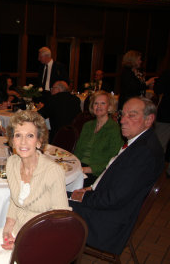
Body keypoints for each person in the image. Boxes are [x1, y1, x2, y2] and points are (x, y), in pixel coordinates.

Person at [0, 110, 70, 263]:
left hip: (40, 241)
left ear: (39, 141)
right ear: (12, 140)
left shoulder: (52, 171)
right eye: (18, 135)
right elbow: (15, 201)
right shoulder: (12, 163)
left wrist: (23, 242)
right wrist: (9, 226)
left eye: (30, 136)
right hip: (17, 231)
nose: (23, 142)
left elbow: (60, 220)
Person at [70, 97, 164, 255]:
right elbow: (114, 179)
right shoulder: (139, 142)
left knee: (49, 204)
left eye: (132, 115)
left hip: (106, 224)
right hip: (106, 208)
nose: (123, 120)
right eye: (123, 114)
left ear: (149, 120)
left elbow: (113, 199)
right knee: (55, 193)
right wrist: (90, 188)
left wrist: (83, 197)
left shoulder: (144, 153)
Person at [73, 91, 123, 186]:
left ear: (109, 107)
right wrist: (74, 166)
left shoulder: (114, 129)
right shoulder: (87, 126)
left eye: (103, 103)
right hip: (80, 168)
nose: (98, 106)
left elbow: (113, 159)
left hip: (97, 173)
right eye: (96, 103)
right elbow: (78, 151)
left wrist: (87, 169)